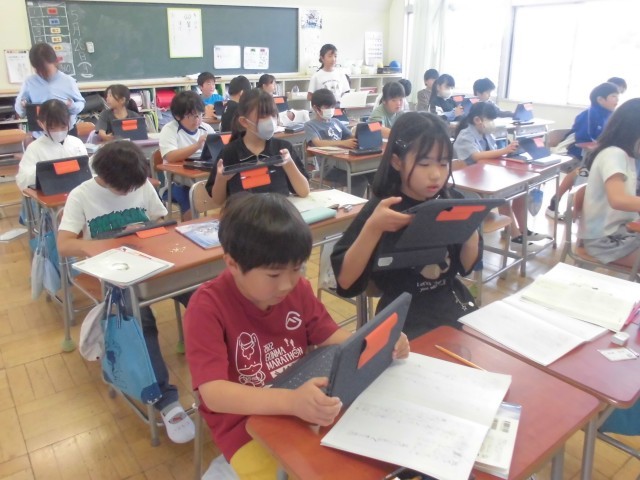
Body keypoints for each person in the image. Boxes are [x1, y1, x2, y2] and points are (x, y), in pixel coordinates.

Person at [184, 192, 410, 479]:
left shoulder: (296, 289)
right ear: (233, 264)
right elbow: (214, 394)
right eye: (273, 275)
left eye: (296, 269)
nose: (287, 284)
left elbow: (330, 335)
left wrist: (378, 341)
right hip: (245, 426)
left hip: (305, 405)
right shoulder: (207, 306)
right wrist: (291, 401)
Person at [57, 141, 195, 444]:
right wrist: (96, 246)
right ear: (104, 176)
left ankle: (231, 364)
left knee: (202, 296)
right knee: (140, 319)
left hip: (153, 259)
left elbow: (159, 220)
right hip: (113, 271)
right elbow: (64, 244)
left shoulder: (140, 184)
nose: (130, 191)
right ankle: (165, 400)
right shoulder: (81, 195)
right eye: (124, 189)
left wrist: (153, 232)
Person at [331, 112, 481, 339]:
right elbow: (346, 281)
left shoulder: (453, 200)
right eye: (424, 163)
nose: (436, 175)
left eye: (443, 164)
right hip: (402, 317)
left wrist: (470, 230)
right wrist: (373, 228)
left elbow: (466, 266)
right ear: (397, 162)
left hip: (450, 303)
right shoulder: (383, 209)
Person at [453, 102, 549, 250]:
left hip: (484, 178)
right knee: (503, 197)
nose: (492, 123)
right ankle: (516, 238)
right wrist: (504, 150)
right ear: (477, 120)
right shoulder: (465, 135)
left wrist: (510, 152)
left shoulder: (486, 134)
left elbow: (492, 155)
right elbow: (477, 156)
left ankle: (523, 231)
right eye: (490, 119)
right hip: (469, 186)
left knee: (520, 191)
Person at [205, 88, 310, 206]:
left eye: (273, 115)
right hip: (244, 214)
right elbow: (218, 201)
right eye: (263, 116)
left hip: (278, 213)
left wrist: (289, 163)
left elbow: (304, 191)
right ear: (244, 122)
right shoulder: (230, 153)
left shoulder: (283, 149)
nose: (270, 121)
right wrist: (221, 179)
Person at [579, 98, 640, 267]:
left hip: (622, 230)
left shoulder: (626, 155)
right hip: (605, 241)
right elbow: (618, 200)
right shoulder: (614, 155)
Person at [545, 82, 620, 219]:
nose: (617, 100)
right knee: (582, 171)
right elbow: (584, 139)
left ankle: (582, 208)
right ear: (600, 99)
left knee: (599, 171)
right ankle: (557, 202)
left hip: (593, 156)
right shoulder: (589, 114)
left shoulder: (611, 115)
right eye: (613, 96)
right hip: (574, 155)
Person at [159, 90, 215, 220]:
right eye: (192, 116)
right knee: (190, 203)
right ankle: (190, 228)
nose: (198, 120)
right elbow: (169, 156)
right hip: (177, 183)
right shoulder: (169, 129)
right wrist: (197, 146)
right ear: (178, 116)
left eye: (200, 114)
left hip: (203, 177)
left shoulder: (206, 128)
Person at [305, 88, 368, 197]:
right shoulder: (310, 125)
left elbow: (351, 136)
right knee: (359, 180)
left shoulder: (336, 122)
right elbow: (317, 143)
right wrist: (343, 143)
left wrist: (361, 132)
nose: (330, 110)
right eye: (326, 107)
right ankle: (355, 205)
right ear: (316, 108)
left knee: (370, 173)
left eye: (332, 107)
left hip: (345, 162)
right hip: (329, 169)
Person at [14, 43, 85, 137]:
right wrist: (22, 105)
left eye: (46, 69)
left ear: (55, 62)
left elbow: (81, 104)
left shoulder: (68, 81)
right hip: (41, 134)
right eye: (38, 70)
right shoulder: (29, 82)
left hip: (66, 133)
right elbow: (20, 111)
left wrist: (71, 105)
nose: (42, 73)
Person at [16, 99, 87, 191]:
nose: (58, 131)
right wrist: (47, 171)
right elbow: (22, 180)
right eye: (52, 128)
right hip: (48, 193)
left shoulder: (76, 142)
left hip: (76, 190)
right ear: (40, 123)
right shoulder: (34, 148)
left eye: (63, 127)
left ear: (69, 121)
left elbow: (86, 170)